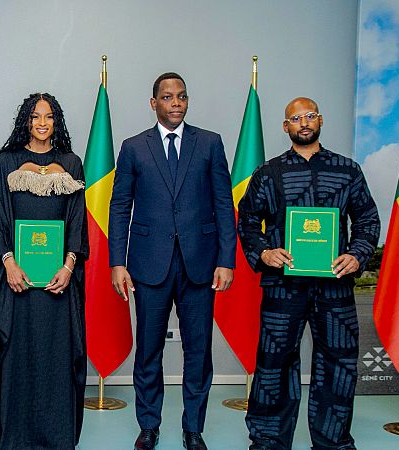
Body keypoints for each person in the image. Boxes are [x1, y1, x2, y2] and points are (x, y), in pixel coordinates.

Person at [238, 97, 380, 450]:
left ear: (321, 120)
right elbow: (247, 221)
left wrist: (357, 254)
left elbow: (367, 221)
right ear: (285, 127)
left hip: (335, 288)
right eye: (295, 118)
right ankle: (269, 440)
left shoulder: (348, 170)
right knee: (274, 364)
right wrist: (264, 252)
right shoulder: (268, 173)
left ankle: (333, 441)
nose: (304, 122)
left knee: (338, 365)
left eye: (310, 115)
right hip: (283, 287)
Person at [0, 93, 89, 450]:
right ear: (25, 122)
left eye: (48, 117)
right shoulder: (7, 161)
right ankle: (12, 436)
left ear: (56, 122)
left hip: (58, 283)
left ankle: (55, 437)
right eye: (34, 117)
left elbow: (76, 222)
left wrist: (69, 266)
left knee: (56, 358)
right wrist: (9, 262)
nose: (42, 123)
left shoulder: (71, 162)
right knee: (15, 357)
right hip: (16, 283)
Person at [108, 72, 236, 450]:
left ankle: (193, 429)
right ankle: (149, 426)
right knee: (148, 349)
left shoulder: (210, 143)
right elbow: (119, 208)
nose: (176, 103)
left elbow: (224, 205)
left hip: (201, 264)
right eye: (167, 97)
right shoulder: (133, 147)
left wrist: (226, 259)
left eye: (181, 96)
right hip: (149, 265)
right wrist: (118, 261)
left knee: (198, 351)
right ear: (154, 104)